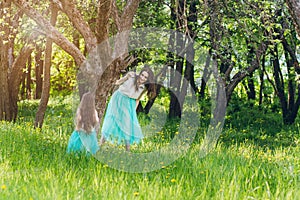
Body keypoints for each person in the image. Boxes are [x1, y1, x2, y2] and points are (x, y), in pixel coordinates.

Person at [100, 65, 156, 151]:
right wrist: (112, 80)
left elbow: (137, 100)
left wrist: (133, 111)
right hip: (118, 98)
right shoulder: (131, 75)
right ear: (139, 74)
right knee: (111, 119)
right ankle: (100, 144)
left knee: (127, 125)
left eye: (145, 77)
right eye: (142, 75)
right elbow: (118, 82)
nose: (143, 78)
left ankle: (128, 149)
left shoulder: (143, 88)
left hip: (129, 103)